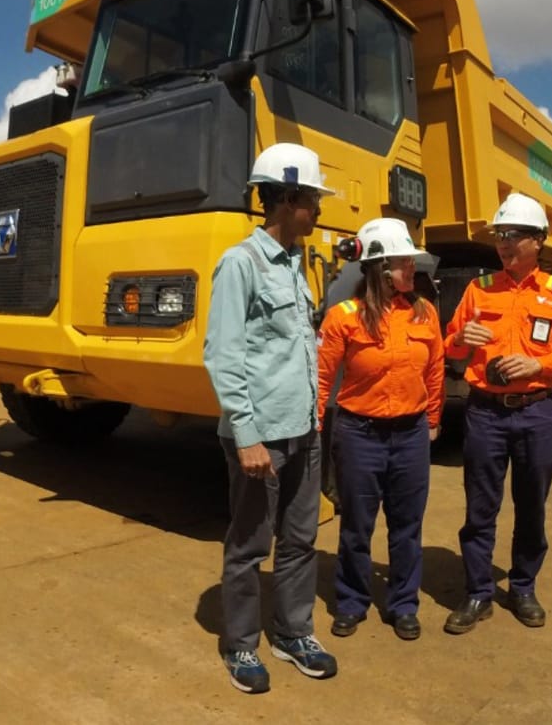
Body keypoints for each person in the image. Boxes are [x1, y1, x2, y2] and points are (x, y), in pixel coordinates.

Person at [203, 142, 339, 694]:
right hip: (261, 439)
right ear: (286, 199)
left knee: (302, 540)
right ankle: (240, 644)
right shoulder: (241, 263)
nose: (319, 210)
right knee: (250, 546)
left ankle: (292, 632)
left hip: (304, 429)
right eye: (312, 200)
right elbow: (223, 354)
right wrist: (248, 436)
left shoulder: (295, 266)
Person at [441, 192, 552, 635]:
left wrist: (538, 365)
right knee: (480, 507)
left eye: (516, 236)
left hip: (537, 412)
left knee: (531, 506)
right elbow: (451, 347)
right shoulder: (479, 288)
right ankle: (478, 592)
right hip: (485, 412)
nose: (505, 245)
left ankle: (523, 586)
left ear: (538, 241)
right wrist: (462, 338)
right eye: (501, 236)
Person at [317, 218, 444, 642]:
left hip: (410, 436)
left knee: (407, 525)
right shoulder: (344, 317)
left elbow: (437, 371)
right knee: (357, 524)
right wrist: (314, 429)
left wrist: (432, 421)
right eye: (403, 262)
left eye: (410, 261)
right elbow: (320, 378)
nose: (412, 268)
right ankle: (352, 600)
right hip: (358, 435)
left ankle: (403, 604)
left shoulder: (425, 314)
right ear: (378, 268)